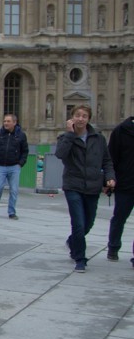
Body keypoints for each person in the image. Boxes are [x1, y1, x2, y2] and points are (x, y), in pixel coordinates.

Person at [56, 104, 116, 273]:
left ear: (89, 119)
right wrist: (70, 134)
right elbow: (60, 154)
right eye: (77, 115)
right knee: (78, 223)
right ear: (72, 117)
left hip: (92, 186)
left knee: (88, 223)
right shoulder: (65, 137)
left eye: (84, 116)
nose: (80, 119)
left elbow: (107, 161)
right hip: (73, 185)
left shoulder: (98, 138)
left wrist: (110, 177)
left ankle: (72, 242)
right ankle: (80, 259)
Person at [0, 113, 28, 220]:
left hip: (14, 166)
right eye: (4, 121)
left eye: (8, 121)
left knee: (14, 190)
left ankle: (11, 212)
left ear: (14, 123)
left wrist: (20, 163)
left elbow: (25, 151)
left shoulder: (21, 135)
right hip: (0, 165)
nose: (5, 123)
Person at [107, 113, 134, 265]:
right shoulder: (121, 130)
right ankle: (113, 247)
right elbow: (111, 158)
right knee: (120, 217)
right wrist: (109, 179)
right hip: (125, 183)